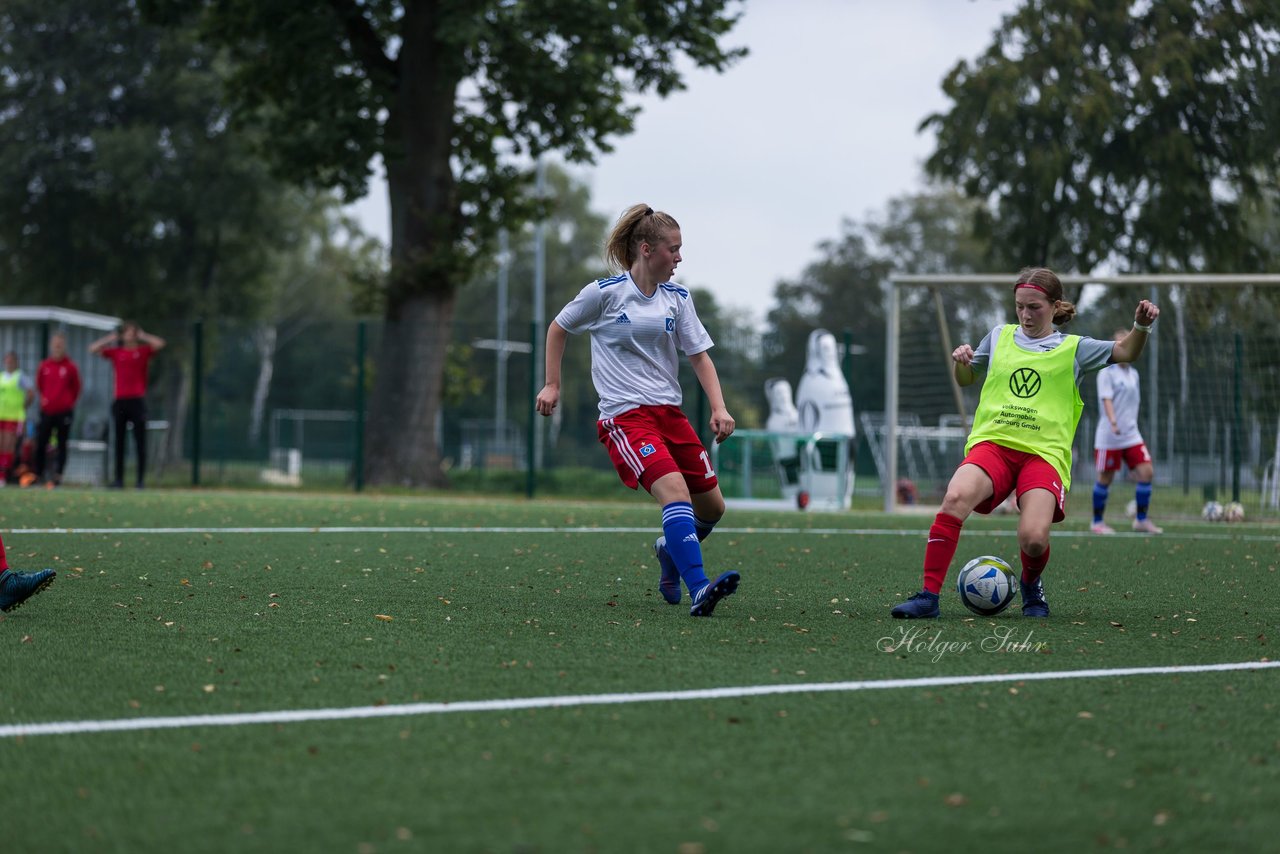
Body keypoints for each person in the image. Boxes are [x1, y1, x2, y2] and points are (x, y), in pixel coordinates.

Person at [891, 267, 1160, 619]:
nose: (1025, 314)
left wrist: (1140, 326)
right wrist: (961, 363)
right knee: (954, 498)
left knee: (1033, 538)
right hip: (994, 445)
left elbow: (1127, 352)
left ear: (1053, 305)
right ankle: (928, 597)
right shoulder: (999, 336)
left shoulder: (1074, 348)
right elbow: (967, 378)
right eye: (1019, 306)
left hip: (1043, 456)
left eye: (1034, 307)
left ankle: (1032, 587)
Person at [536, 203, 741, 617]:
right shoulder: (604, 294)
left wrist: (719, 407)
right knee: (675, 494)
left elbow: (699, 356)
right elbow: (559, 327)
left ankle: (669, 553)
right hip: (625, 418)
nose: (679, 257)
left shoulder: (678, 299)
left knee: (713, 509)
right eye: (673, 249)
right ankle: (700, 587)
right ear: (647, 250)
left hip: (670, 416)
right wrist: (553, 383)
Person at [1091, 330, 1161, 534]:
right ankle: (1097, 522)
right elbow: (1106, 399)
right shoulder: (1106, 372)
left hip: (1131, 434)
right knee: (1105, 479)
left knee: (1146, 472)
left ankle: (1141, 520)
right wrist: (1113, 421)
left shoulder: (1133, 374)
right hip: (1110, 435)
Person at [89, 321, 166, 489]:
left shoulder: (143, 351)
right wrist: (110, 338)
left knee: (140, 442)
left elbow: (160, 344)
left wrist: (144, 336)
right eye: (127, 332)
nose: (130, 335)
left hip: (137, 401)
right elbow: (93, 349)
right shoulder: (116, 352)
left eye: (133, 332)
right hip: (120, 400)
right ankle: (119, 480)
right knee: (119, 442)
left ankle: (140, 481)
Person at [34, 332, 82, 487]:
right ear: (51, 345)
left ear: (64, 346)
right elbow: (40, 385)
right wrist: (47, 400)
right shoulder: (45, 365)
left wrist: (67, 403)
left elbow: (76, 388)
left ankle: (58, 475)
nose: (57, 346)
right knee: (41, 442)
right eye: (55, 344)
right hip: (47, 411)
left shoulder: (70, 366)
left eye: (60, 344)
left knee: (62, 444)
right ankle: (38, 474)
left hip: (64, 412)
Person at [0, 351, 35, 485]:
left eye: (11, 360)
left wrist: (24, 406)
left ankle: (3, 475)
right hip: (1, 415)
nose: (9, 363)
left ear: (16, 362)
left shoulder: (20, 377)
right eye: (7, 360)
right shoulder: (1, 376)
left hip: (13, 417)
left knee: (8, 446)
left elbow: (31, 393)